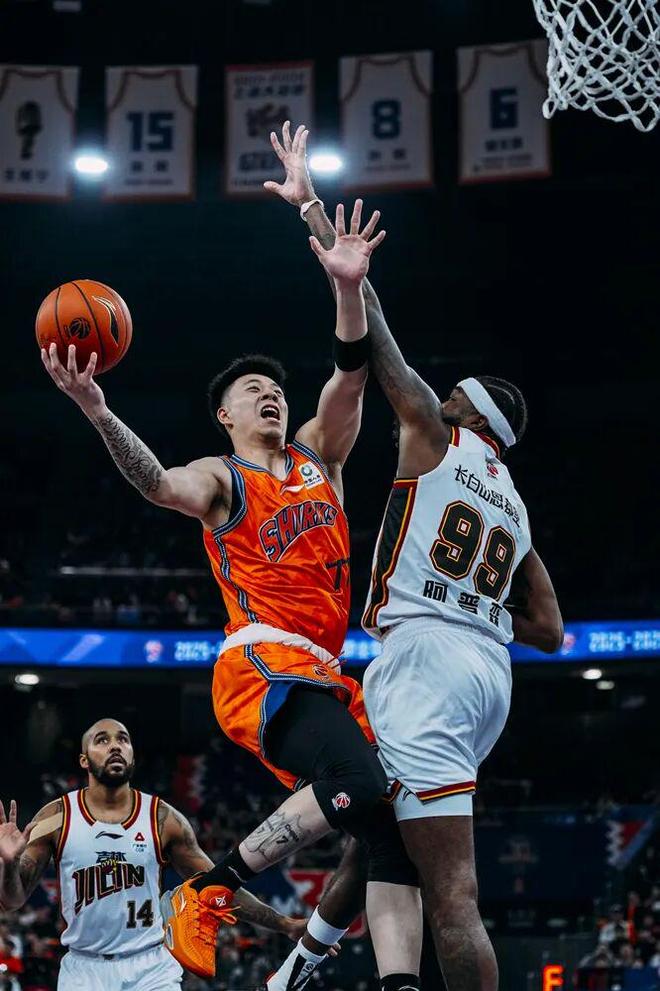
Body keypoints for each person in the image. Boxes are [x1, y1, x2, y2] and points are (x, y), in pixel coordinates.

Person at [40, 206, 395, 982]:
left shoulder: (320, 456)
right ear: (224, 414)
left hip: (323, 667)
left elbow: (352, 372)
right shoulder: (220, 477)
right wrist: (99, 411)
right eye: (251, 389)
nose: (270, 394)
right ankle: (207, 891)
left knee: (386, 821)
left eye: (275, 388)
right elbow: (158, 483)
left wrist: (346, 286)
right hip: (262, 665)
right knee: (363, 786)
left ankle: (300, 968)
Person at [265, 120, 564, 991]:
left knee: (452, 895)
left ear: (465, 411)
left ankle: (237, 884)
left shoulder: (436, 433)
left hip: (427, 661)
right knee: (384, 828)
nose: (441, 396)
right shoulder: (514, 504)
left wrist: (319, 225)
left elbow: (378, 338)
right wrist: (478, 604)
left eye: (452, 394)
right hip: (487, 676)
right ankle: (297, 969)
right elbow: (549, 628)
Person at [0, 718, 307, 990]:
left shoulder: (163, 819)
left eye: (123, 739)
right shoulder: (56, 817)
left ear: (132, 755)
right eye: (102, 740)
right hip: (84, 968)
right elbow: (12, 900)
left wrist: (284, 924)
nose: (115, 746)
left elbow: (219, 886)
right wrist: (10, 864)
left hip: (150, 966)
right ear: (84, 759)